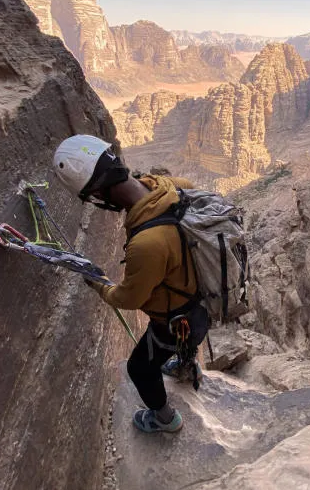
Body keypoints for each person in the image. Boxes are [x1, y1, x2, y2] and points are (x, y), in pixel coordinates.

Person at [52, 134, 203, 433]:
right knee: (183, 340)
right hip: (201, 301)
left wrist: (99, 283)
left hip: (173, 319)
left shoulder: (146, 244)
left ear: (99, 191)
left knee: (140, 368)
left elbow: (129, 299)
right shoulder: (172, 186)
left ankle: (166, 420)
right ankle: (186, 368)